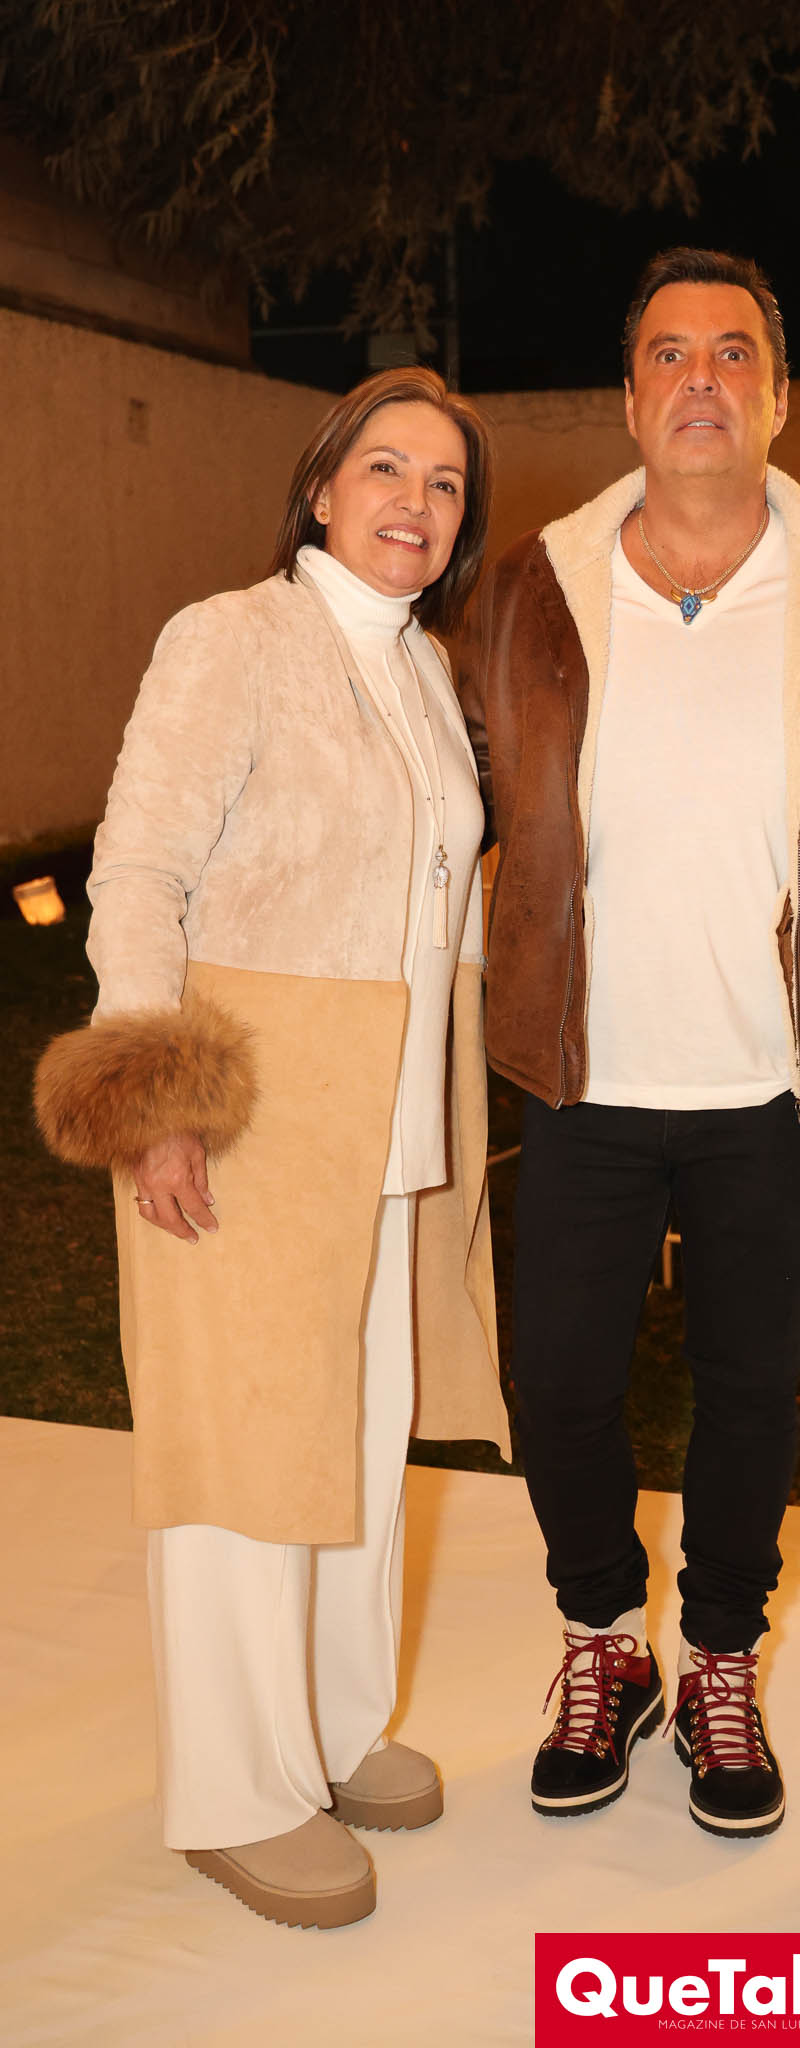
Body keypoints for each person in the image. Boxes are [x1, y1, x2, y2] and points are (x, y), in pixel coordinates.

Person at [35, 368, 509, 1927]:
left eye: (443, 483)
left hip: (384, 1122)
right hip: (243, 1115)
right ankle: (238, 1792)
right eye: (385, 469)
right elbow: (138, 871)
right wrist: (154, 1102)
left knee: (355, 1442)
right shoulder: (230, 637)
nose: (414, 503)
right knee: (240, 1452)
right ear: (319, 488)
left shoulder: (424, 666)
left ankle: (330, 1727)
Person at [459, 246, 800, 1839]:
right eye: (668, 353)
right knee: (558, 1385)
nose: (700, 379)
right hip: (582, 1067)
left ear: (778, 396)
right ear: (628, 396)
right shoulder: (534, 583)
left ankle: (720, 1658)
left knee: (749, 1393)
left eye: (732, 353)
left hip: (767, 1080)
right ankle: (604, 1639)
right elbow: (459, 790)